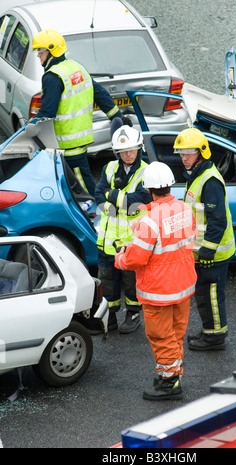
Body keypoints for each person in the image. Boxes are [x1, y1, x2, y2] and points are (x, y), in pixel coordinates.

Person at [115, 162, 197, 400]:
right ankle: (169, 373)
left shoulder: (149, 221)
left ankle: (170, 383)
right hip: (183, 286)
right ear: (170, 185)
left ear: (149, 190)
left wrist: (120, 257)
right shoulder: (185, 209)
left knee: (162, 337)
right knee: (175, 334)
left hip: (159, 291)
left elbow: (136, 259)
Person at [31, 29, 130, 196]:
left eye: (40, 51)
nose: (38, 55)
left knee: (82, 189)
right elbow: (99, 93)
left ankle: (96, 214)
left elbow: (48, 112)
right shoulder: (76, 68)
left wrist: (30, 127)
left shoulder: (52, 77)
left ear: (52, 51)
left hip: (68, 144)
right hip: (78, 139)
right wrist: (116, 115)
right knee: (76, 183)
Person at [173, 127, 236, 351]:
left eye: (189, 152)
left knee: (211, 293)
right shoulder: (196, 175)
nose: (184, 157)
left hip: (214, 253)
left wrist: (208, 251)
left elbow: (217, 221)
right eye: (181, 153)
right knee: (204, 293)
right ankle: (209, 328)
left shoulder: (209, 181)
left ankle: (215, 337)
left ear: (202, 152)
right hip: (202, 251)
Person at [95, 125, 152, 334]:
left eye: (132, 149)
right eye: (123, 150)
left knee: (132, 282)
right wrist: (117, 203)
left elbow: (141, 200)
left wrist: (113, 197)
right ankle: (109, 318)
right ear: (117, 151)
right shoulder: (109, 168)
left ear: (139, 148)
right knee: (107, 281)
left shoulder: (146, 171)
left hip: (132, 240)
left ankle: (133, 314)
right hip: (108, 240)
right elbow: (98, 195)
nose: (128, 154)